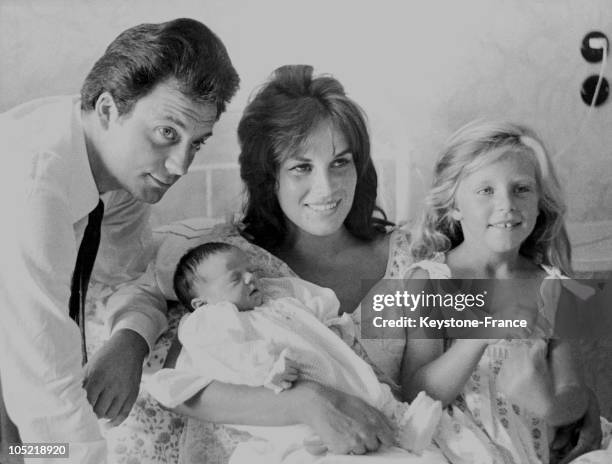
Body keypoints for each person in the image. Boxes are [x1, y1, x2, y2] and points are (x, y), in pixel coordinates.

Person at [104, 64, 419, 462]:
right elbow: (181, 384)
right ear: (270, 177)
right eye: (301, 167)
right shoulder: (233, 262)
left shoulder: (411, 260)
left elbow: (497, 311)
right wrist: (309, 402)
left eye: (341, 162)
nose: (327, 188)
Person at [0, 18, 239, 463]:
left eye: (197, 143)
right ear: (108, 110)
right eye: (167, 133)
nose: (181, 165)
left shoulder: (118, 177)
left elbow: (127, 274)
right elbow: (45, 390)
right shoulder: (35, 187)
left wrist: (132, 337)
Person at [401, 120, 612, 464]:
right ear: (454, 205)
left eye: (521, 189)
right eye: (486, 190)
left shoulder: (554, 288)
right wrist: (482, 334)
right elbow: (415, 390)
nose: (507, 204)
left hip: (538, 452)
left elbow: (573, 390)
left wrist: (548, 404)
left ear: (540, 201)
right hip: (459, 450)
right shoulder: (431, 280)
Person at [147, 242, 443, 462]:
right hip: (296, 411)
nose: (251, 278)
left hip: (351, 387)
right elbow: (220, 358)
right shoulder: (216, 320)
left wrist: (335, 326)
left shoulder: (276, 297)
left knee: (376, 408)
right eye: (235, 278)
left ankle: (402, 434)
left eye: (250, 270)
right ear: (202, 303)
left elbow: (318, 306)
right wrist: (264, 367)